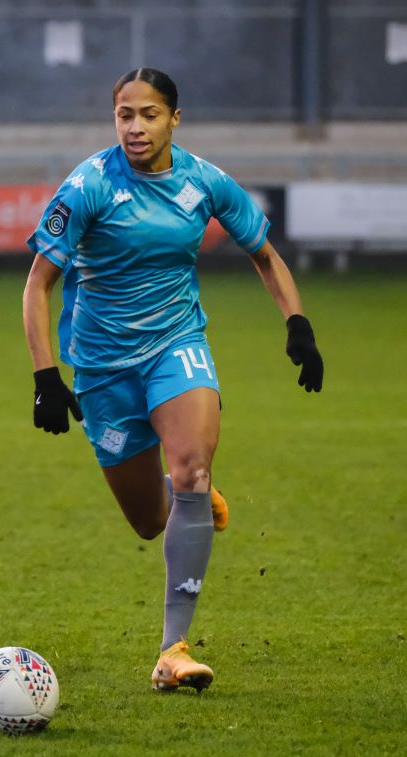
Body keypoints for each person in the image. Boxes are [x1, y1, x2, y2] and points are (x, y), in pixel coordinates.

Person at [22, 68, 324, 693]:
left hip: (177, 347)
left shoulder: (204, 182)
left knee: (192, 469)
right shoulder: (89, 186)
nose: (135, 127)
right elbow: (37, 284)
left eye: (149, 114)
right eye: (124, 115)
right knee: (149, 520)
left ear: (174, 119)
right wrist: (46, 377)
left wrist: (298, 323)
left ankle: (172, 650)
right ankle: (188, 494)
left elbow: (264, 254)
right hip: (104, 367)